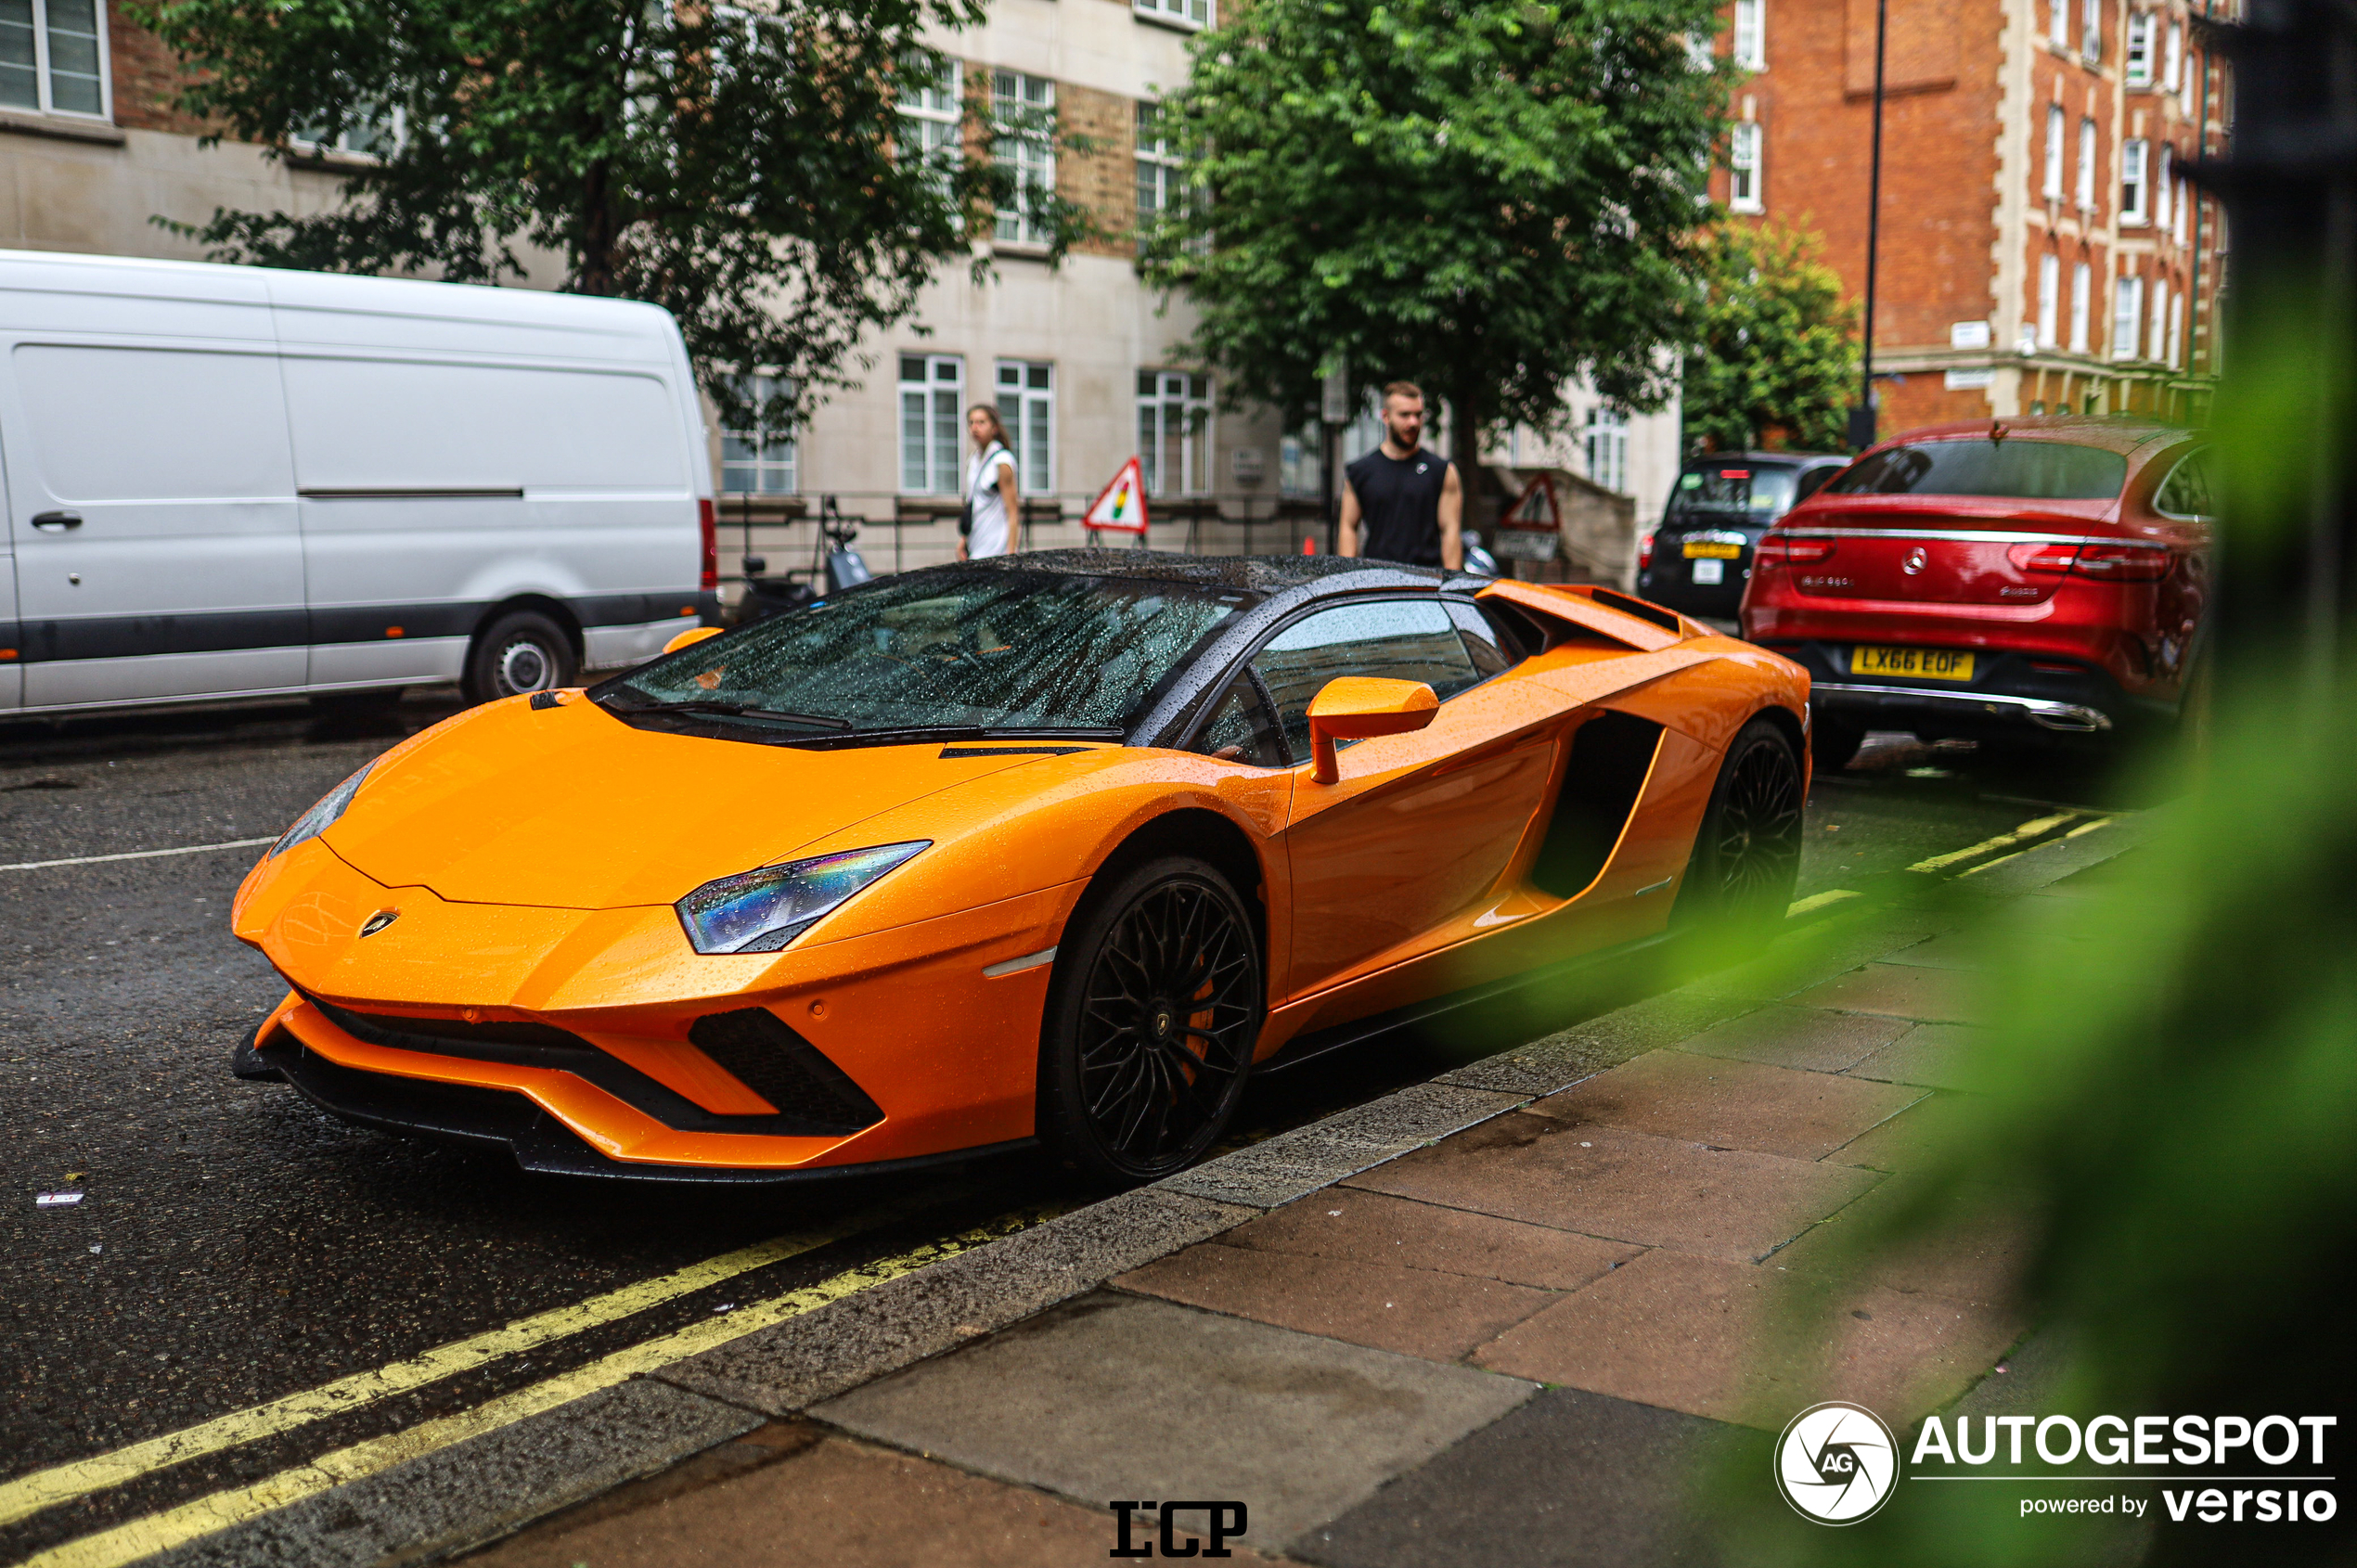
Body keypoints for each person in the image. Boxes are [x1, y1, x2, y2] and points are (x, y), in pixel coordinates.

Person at [1338, 380, 1463, 571]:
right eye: (1405, 415)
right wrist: (1346, 582)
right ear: (1386, 417)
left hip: (1427, 583)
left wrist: (1451, 586)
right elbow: (1348, 528)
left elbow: (1450, 532)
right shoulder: (1360, 472)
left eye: (1418, 415)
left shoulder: (1442, 471)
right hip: (1377, 581)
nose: (1413, 422)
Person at [960, 405, 1019, 560]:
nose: (975, 427)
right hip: (976, 546)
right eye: (971, 422)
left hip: (996, 550)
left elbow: (1012, 511)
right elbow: (975, 504)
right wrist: (964, 540)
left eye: (981, 422)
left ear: (994, 428)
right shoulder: (973, 460)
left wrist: (1011, 555)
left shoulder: (1002, 461)